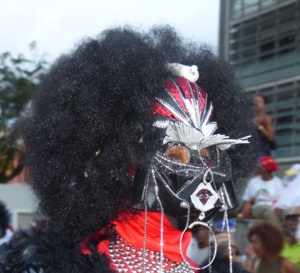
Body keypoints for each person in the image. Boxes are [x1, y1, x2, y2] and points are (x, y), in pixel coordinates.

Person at [0, 26, 256, 273]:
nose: (203, 170)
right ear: (120, 158)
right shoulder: (42, 266)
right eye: (176, 151)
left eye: (210, 152)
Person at [241, 156, 283, 225]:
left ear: (266, 168)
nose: (258, 167)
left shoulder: (278, 182)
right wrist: (236, 213)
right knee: (268, 212)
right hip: (259, 207)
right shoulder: (254, 181)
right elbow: (247, 200)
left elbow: (280, 199)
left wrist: (276, 208)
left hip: (274, 207)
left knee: (287, 213)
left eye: (260, 165)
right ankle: (278, 233)